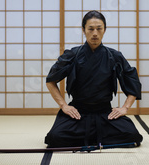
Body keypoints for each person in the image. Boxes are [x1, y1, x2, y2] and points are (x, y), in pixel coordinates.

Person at [44, 10, 143, 148]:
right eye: (90, 29)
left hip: (105, 113)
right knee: (54, 137)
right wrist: (64, 106)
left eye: (99, 29)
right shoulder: (72, 54)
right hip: (78, 113)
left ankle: (91, 136)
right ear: (84, 30)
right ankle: (97, 137)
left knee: (132, 135)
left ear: (104, 30)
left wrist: (125, 108)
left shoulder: (114, 56)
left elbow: (133, 81)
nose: (95, 33)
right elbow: (51, 81)